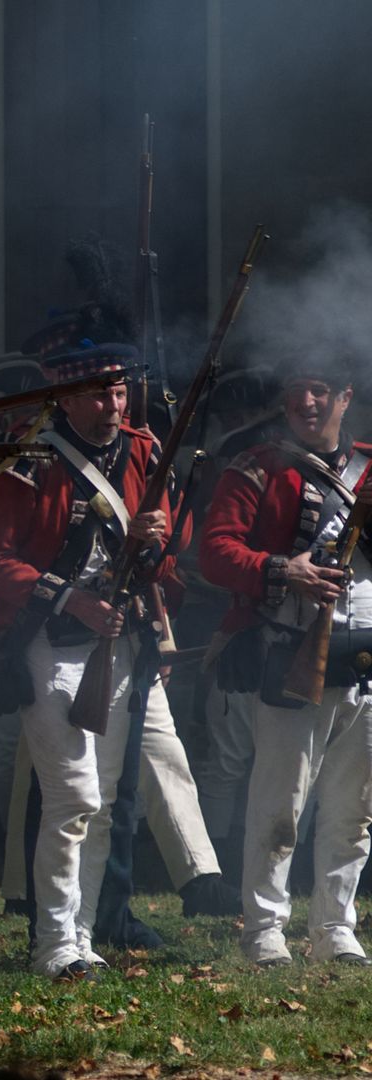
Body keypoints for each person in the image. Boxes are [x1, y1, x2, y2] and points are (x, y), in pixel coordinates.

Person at [0, 343, 177, 981]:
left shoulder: (142, 451)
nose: (112, 406)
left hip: (118, 643)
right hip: (49, 642)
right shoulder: (29, 460)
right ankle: (54, 942)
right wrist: (71, 600)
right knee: (75, 796)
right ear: (64, 396)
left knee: (107, 802)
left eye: (118, 394)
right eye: (98, 394)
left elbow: (169, 556)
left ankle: (81, 937)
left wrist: (160, 536)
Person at [199, 358, 372, 967]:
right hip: (292, 651)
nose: (308, 402)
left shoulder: (368, 467)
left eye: (320, 390)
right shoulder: (259, 466)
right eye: (298, 392)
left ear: (344, 397)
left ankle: (335, 928)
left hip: (368, 656)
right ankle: (265, 928)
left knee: (354, 809)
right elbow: (215, 552)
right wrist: (280, 569)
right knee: (280, 800)